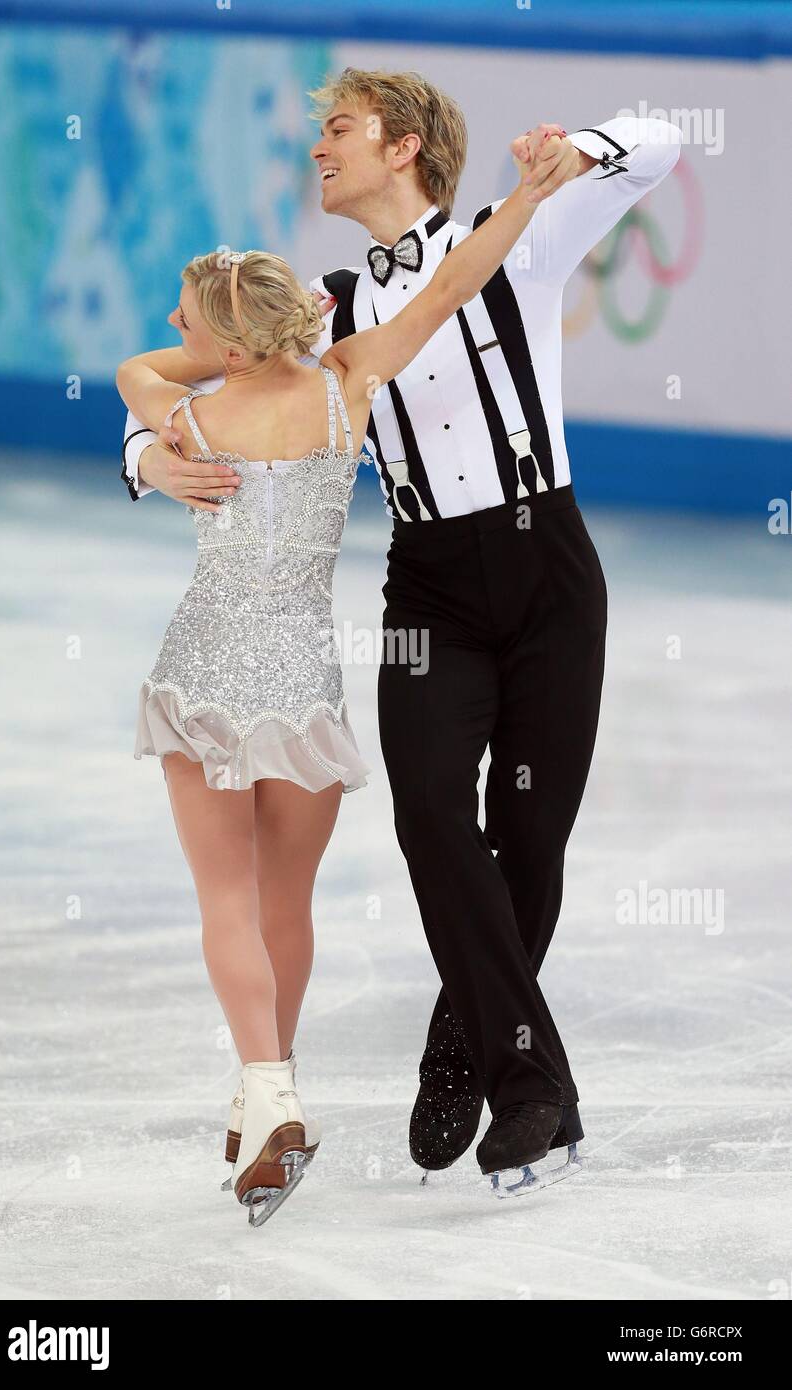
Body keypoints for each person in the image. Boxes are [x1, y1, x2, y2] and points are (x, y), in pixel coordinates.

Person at [120, 68, 682, 1189]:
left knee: (529, 837)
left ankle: (470, 1039)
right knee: (431, 811)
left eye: (338, 128)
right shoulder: (326, 310)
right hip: (427, 588)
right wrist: (143, 457)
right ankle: (533, 1091)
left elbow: (663, 140)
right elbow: (187, 377)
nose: (317, 146)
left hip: (549, 567)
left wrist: (573, 149)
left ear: (405, 144)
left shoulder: (518, 232)